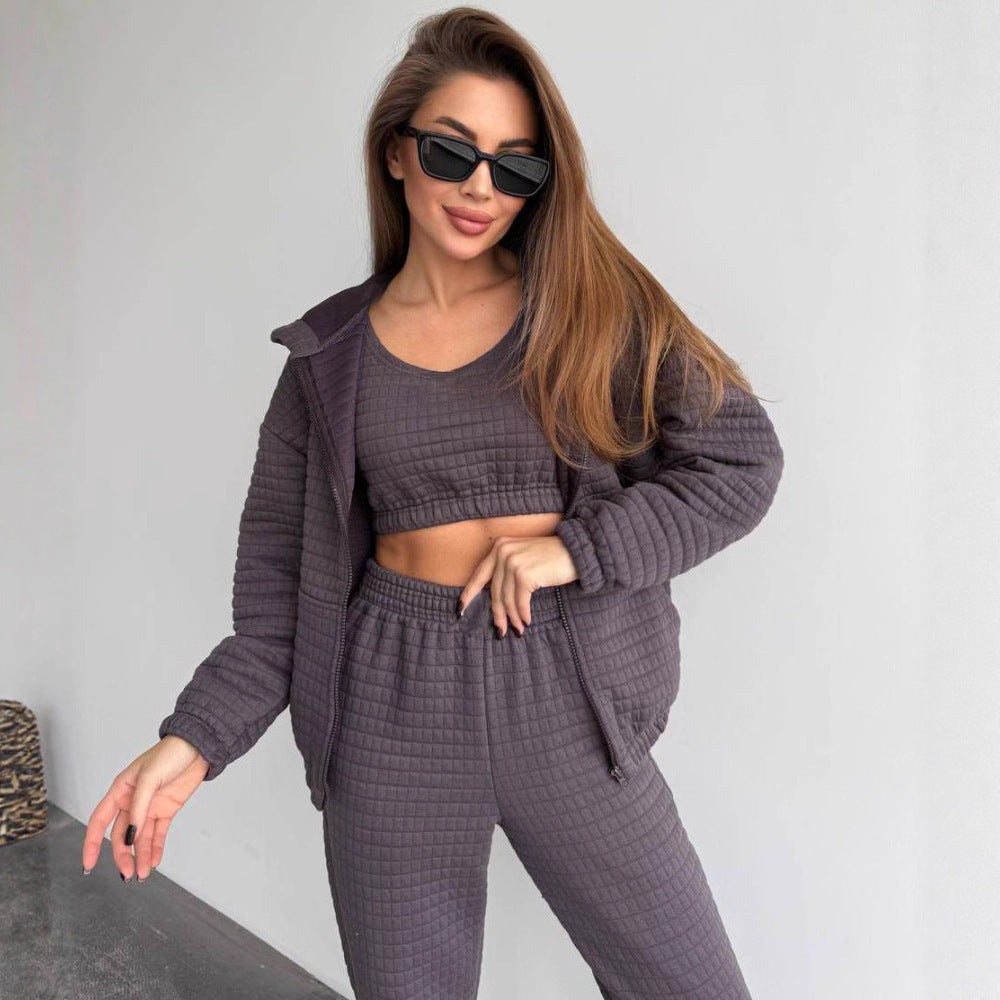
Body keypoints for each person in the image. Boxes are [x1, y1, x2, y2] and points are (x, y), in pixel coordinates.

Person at [82, 7, 784, 998]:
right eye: (452, 152)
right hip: (392, 703)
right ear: (396, 153)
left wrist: (580, 549)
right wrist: (191, 739)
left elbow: (739, 461)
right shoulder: (328, 361)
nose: (480, 188)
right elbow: (277, 603)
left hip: (569, 689)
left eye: (515, 166)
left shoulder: (593, 308)